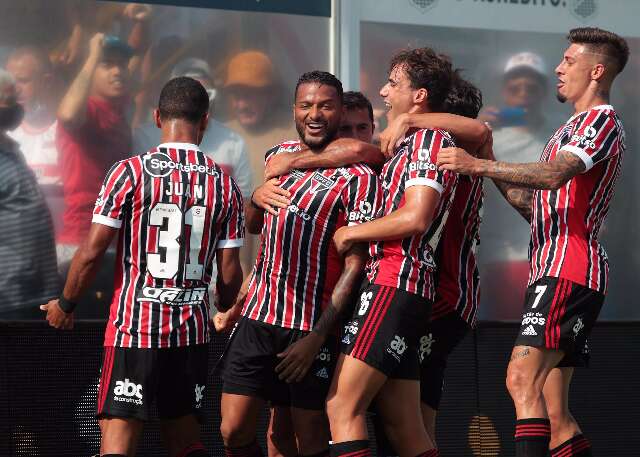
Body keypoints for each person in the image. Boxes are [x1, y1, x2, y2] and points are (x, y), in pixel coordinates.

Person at [437, 27, 628, 457]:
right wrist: (485, 161)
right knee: (556, 417)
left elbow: (554, 174)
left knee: (520, 379)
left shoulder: (601, 120)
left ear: (596, 71)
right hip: (555, 268)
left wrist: (478, 165)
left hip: (569, 268)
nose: (559, 68)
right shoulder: (572, 126)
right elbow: (536, 205)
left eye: (567, 61)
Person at [42, 76, 245, 457]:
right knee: (185, 440)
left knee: (118, 436)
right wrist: (224, 309)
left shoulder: (129, 172)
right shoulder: (224, 184)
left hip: (135, 329)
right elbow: (230, 272)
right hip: (192, 332)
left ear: (156, 118)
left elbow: (90, 251)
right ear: (205, 121)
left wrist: (65, 305)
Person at [215, 71, 380, 457]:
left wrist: (317, 339)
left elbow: (355, 266)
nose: (315, 114)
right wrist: (255, 195)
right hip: (258, 319)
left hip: (308, 327)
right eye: (306, 105)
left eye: (325, 105)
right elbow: (255, 225)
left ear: (339, 111)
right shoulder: (278, 156)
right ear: (294, 109)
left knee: (307, 440)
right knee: (232, 430)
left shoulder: (361, 176)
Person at [325, 47, 459, 457]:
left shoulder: (427, 139)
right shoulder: (407, 140)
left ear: (418, 95)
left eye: (393, 83)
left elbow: (416, 216)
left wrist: (352, 233)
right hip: (400, 287)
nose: (383, 91)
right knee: (405, 429)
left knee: (342, 407)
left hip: (394, 283)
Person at [134, 57, 255, 289]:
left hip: (209, 279)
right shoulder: (144, 137)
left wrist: (242, 269)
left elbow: (244, 212)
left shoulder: (233, 142)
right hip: (152, 275)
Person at [478, 52, 553, 319]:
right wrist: (478, 128)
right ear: (503, 91)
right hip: (504, 255)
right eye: (515, 87)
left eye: (531, 88)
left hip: (551, 253)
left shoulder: (559, 134)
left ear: (544, 92)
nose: (523, 94)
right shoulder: (488, 137)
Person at [55, 33, 134, 271]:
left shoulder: (120, 113)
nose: (117, 71)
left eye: (121, 65)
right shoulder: (86, 110)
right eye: (107, 64)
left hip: (115, 239)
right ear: (89, 71)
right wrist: (92, 57)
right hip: (79, 239)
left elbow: (140, 56)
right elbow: (67, 115)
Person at [0, 69, 59, 320]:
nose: (13, 107)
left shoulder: (12, 150)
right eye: (6, 100)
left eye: (14, 100)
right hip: (7, 296)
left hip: (33, 292)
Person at [6, 46, 64, 234]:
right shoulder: (3, 134)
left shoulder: (68, 129)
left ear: (46, 81)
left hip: (60, 242)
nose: (14, 89)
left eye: (23, 81)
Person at [223, 50, 297, 186]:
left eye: (249, 95)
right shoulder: (221, 136)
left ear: (271, 95)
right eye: (236, 96)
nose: (242, 105)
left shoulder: (296, 133)